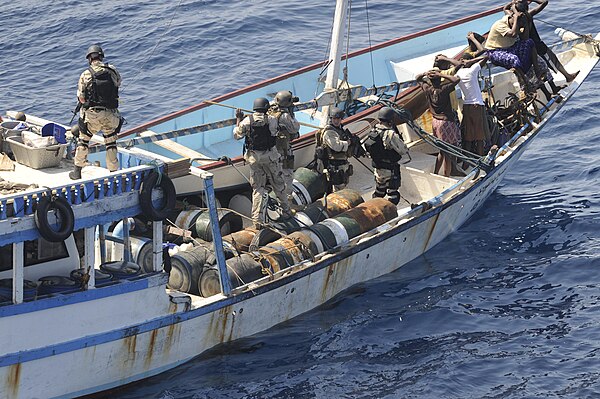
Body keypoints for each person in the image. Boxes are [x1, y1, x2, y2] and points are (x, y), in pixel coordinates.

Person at [233, 97, 291, 227]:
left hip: (255, 159)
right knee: (278, 184)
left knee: (258, 188)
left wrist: (239, 119)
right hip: (270, 157)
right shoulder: (271, 120)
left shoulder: (247, 121)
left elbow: (237, 135)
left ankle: (257, 220)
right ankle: (286, 211)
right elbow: (275, 132)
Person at [70, 44, 123, 180]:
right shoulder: (112, 70)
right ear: (101, 56)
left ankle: (77, 171)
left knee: (84, 140)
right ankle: (113, 173)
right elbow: (118, 83)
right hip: (110, 114)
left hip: (92, 115)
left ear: (89, 59)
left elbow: (81, 98)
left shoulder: (85, 74)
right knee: (110, 142)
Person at [506, 0, 579, 82]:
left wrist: (513, 4)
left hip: (527, 47)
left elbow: (505, 8)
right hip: (537, 45)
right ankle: (567, 76)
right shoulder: (528, 15)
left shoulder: (513, 18)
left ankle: (553, 84)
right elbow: (544, 2)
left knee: (539, 66)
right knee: (552, 60)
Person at [483, 4, 542, 92]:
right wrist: (516, 19)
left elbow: (525, 39)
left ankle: (537, 72)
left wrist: (525, 24)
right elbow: (513, 34)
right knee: (514, 59)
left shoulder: (518, 24)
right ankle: (526, 83)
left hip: (509, 48)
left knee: (530, 42)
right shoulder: (500, 24)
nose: (519, 27)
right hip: (494, 51)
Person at [416, 69, 462, 177]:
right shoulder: (443, 89)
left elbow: (417, 78)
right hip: (446, 123)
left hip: (435, 122)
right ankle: (447, 175)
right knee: (449, 153)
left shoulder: (428, 88)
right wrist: (441, 74)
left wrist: (424, 73)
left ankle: (436, 173)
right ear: (439, 79)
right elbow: (456, 79)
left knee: (442, 150)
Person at [363, 107, 409, 205]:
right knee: (393, 195)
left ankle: (373, 207)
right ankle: (390, 213)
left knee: (379, 192)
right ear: (391, 120)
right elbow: (403, 150)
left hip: (378, 170)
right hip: (390, 171)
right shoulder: (390, 134)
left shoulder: (374, 131)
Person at [456, 45, 491, 157]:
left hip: (466, 107)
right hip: (477, 106)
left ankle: (467, 161)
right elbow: (486, 56)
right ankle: (480, 157)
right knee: (479, 136)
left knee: (468, 135)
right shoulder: (472, 71)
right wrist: (471, 60)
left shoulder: (458, 73)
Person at [315, 107, 358, 192]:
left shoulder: (340, 129)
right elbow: (336, 146)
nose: (336, 121)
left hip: (342, 162)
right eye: (334, 119)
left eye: (338, 119)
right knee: (339, 188)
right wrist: (348, 143)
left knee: (343, 183)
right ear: (331, 119)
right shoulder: (329, 132)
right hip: (335, 164)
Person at [269, 90, 300, 201]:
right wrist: (291, 114)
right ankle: (288, 202)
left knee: (276, 176)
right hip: (283, 151)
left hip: (272, 150)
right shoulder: (285, 116)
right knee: (287, 176)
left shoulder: (270, 110)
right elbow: (295, 128)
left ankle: (278, 198)